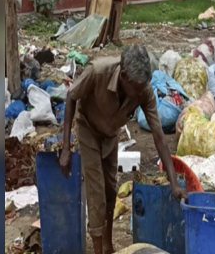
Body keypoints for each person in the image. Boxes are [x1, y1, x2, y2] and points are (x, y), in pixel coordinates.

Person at [59, 45, 188, 254]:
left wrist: (174, 183)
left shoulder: (143, 90)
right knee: (97, 191)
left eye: (142, 87)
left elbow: (159, 137)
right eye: (136, 87)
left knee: (111, 189)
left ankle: (108, 244)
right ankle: (99, 249)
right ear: (124, 76)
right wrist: (66, 147)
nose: (140, 92)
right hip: (88, 128)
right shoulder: (98, 71)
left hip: (111, 134)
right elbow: (71, 97)